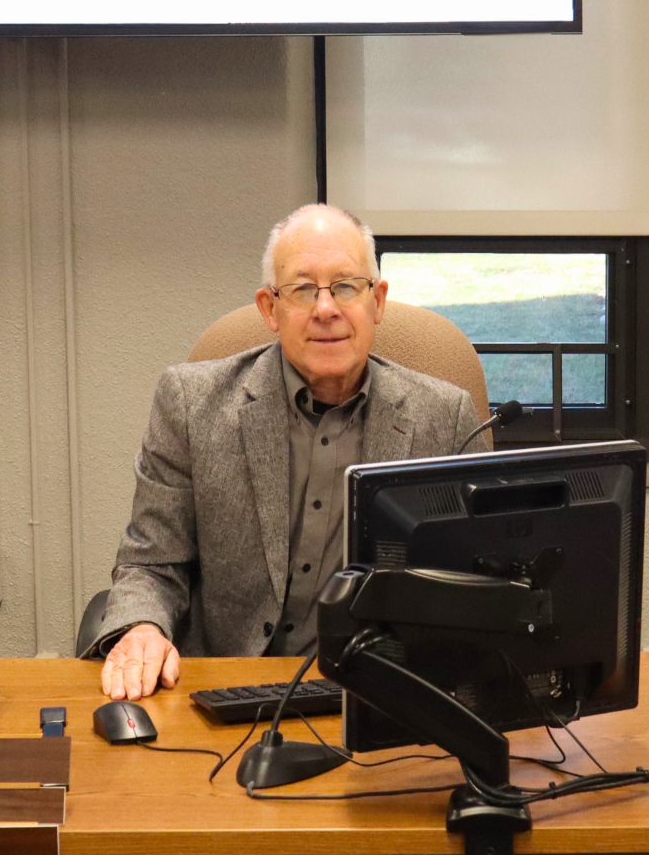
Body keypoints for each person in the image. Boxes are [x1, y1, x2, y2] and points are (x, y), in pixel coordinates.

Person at [89, 204, 489, 700]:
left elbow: (474, 581)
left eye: (346, 286)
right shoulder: (191, 404)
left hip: (378, 695)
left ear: (378, 302)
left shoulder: (444, 417)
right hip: (222, 690)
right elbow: (152, 564)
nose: (326, 309)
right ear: (269, 309)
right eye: (302, 289)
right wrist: (142, 627)